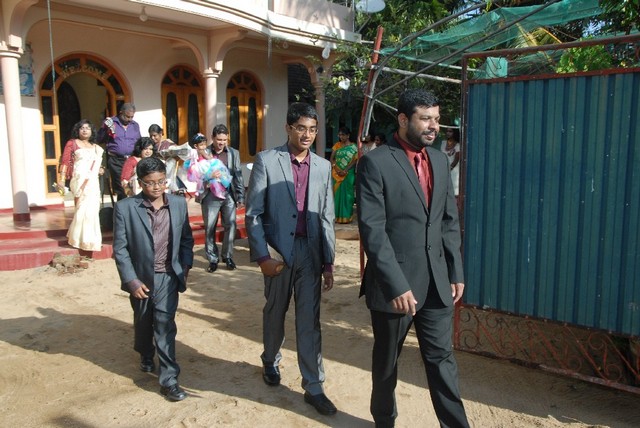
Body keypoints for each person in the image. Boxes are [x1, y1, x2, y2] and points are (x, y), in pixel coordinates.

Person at [356, 88, 469, 428]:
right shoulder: (375, 162)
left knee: (442, 361)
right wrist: (396, 284)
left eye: (437, 119)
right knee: (386, 363)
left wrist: (455, 271)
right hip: (395, 289)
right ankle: (384, 421)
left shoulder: (439, 160)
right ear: (403, 120)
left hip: (436, 283)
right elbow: (373, 231)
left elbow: (448, 221)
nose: (434, 126)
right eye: (425, 119)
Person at [245, 102, 337, 416]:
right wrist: (262, 256)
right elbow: (253, 213)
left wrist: (328, 262)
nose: (307, 135)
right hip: (278, 252)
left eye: (312, 129)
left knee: (309, 320)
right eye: (301, 128)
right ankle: (270, 359)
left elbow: (326, 216)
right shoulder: (267, 160)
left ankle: (314, 386)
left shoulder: (323, 167)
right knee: (275, 311)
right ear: (288, 128)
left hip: (310, 253)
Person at [113, 156, 194, 402]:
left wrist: (185, 267)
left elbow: (186, 239)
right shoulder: (126, 208)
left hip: (168, 276)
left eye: (161, 181)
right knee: (143, 322)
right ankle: (145, 352)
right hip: (142, 279)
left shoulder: (178, 204)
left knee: (164, 325)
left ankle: (169, 380)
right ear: (140, 183)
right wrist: (131, 281)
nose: (157, 187)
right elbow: (120, 249)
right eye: (150, 183)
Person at [197, 124, 245, 272]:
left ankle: (228, 256)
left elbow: (238, 174)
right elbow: (196, 174)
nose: (222, 143)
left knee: (231, 225)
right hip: (210, 195)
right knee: (210, 228)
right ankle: (212, 259)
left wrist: (240, 196)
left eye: (224, 140)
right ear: (212, 138)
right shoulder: (203, 152)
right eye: (219, 139)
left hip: (228, 194)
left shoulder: (233, 153)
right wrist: (209, 176)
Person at [58, 119, 105, 252]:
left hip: (93, 182)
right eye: (82, 128)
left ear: (92, 131)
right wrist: (62, 179)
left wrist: (100, 169)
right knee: (81, 209)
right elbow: (65, 161)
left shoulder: (96, 147)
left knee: (92, 210)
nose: (85, 130)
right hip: (79, 180)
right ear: (77, 130)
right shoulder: (72, 143)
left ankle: (90, 240)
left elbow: (97, 164)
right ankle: (78, 239)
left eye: (87, 128)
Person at [97, 103, 141, 201]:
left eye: (132, 117)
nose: (129, 119)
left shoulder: (135, 125)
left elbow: (139, 142)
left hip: (131, 160)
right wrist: (105, 129)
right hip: (116, 161)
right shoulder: (111, 123)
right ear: (121, 113)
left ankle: (132, 208)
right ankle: (122, 208)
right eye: (127, 117)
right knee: (121, 187)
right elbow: (99, 139)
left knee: (133, 186)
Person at [330, 127, 358, 224]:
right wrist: (337, 169)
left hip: (348, 174)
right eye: (340, 135)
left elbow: (355, 161)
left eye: (343, 135)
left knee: (348, 195)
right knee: (337, 195)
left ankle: (347, 217)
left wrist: (345, 170)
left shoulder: (354, 147)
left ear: (348, 135)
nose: (341, 137)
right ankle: (336, 217)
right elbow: (332, 159)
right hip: (337, 174)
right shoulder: (337, 146)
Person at [441, 127, 461, 196]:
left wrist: (450, 168)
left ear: (454, 133)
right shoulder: (443, 143)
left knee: (454, 191)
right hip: (444, 169)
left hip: (454, 171)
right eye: (447, 131)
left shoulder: (458, 145)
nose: (448, 133)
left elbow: (456, 159)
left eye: (450, 131)